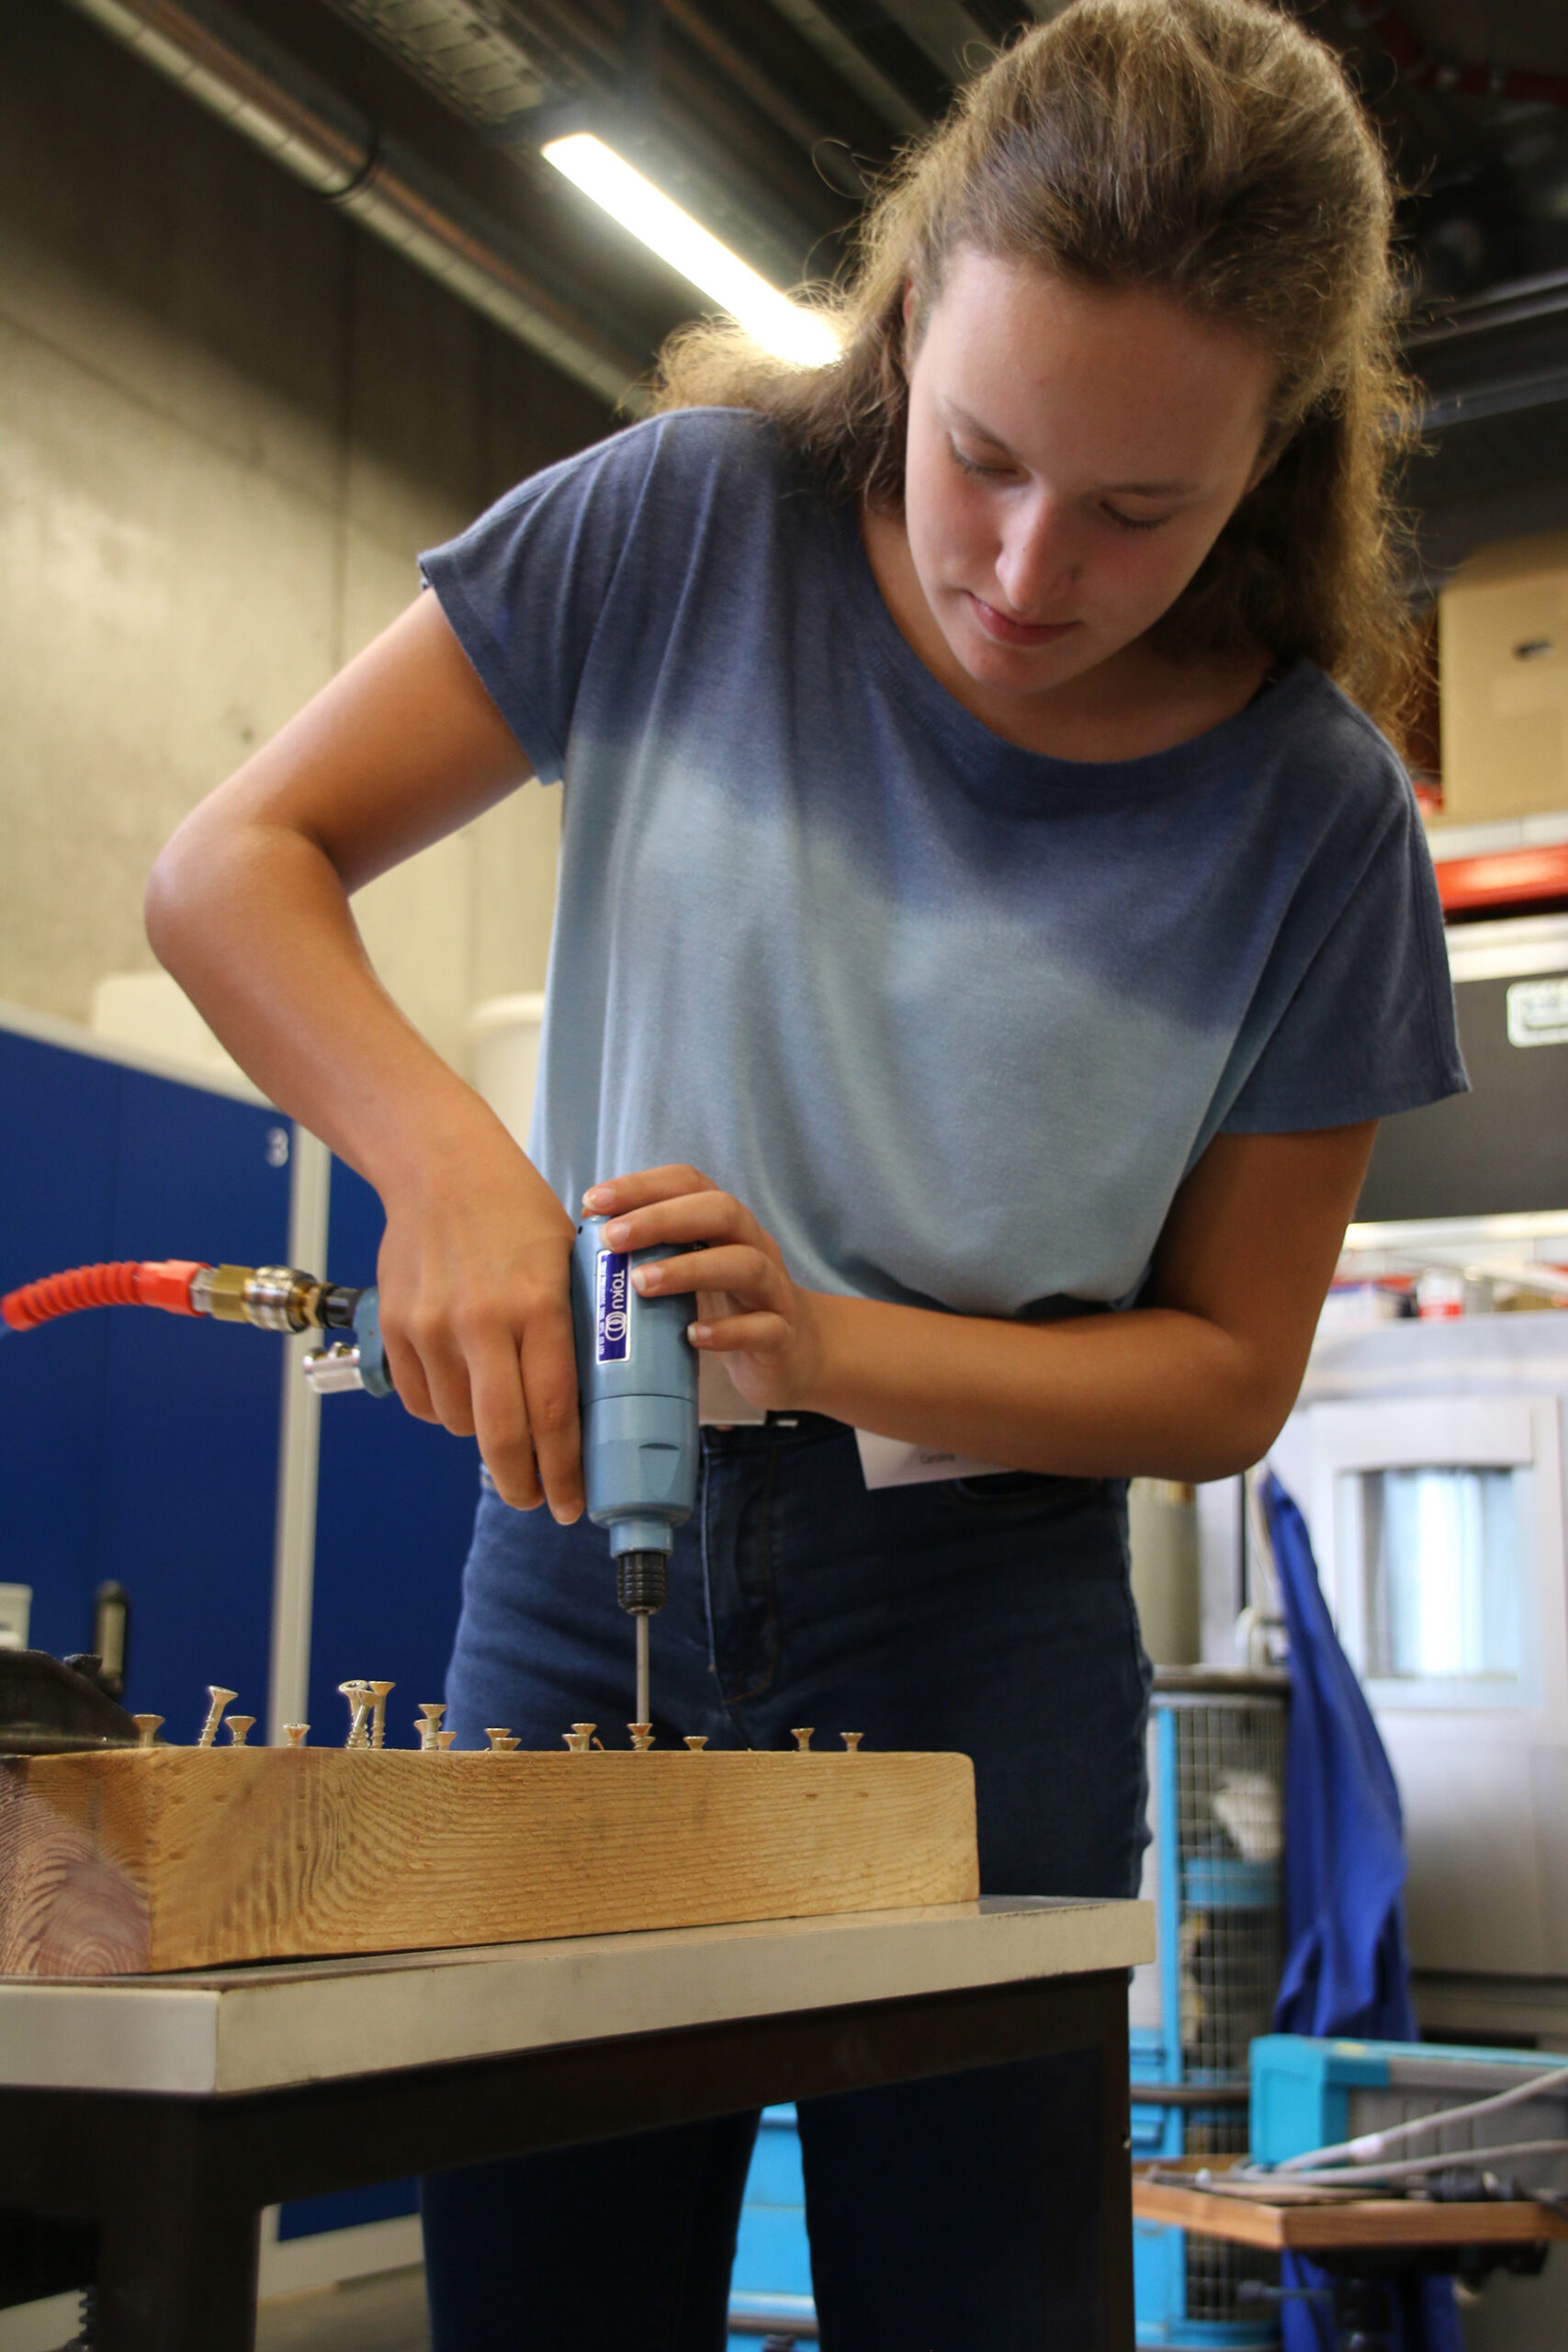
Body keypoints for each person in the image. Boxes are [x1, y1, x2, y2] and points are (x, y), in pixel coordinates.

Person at [145, 1, 1466, 2343]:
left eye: (1139, 510)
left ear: (1268, 455)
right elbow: (235, 862)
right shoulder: (684, 527)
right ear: (904, 317)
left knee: (973, 2299)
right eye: (979, 458)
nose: (1026, 571)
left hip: (981, 1628)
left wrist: (821, 1337)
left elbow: (1223, 1375)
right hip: (571, 1569)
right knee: (547, 2295)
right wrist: (450, 1166)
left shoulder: (1311, 819)